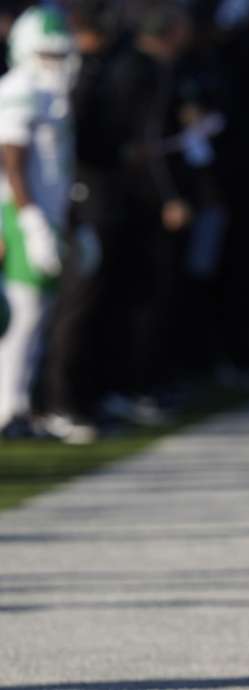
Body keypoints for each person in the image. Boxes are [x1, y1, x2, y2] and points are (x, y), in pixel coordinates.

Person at [0, 6, 75, 438]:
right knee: (22, 313)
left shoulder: (53, 94)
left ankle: (22, 405)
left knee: (40, 314)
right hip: (21, 214)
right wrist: (31, 223)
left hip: (50, 214)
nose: (55, 63)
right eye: (47, 54)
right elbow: (12, 163)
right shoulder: (19, 88)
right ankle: (9, 408)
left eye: (60, 54)